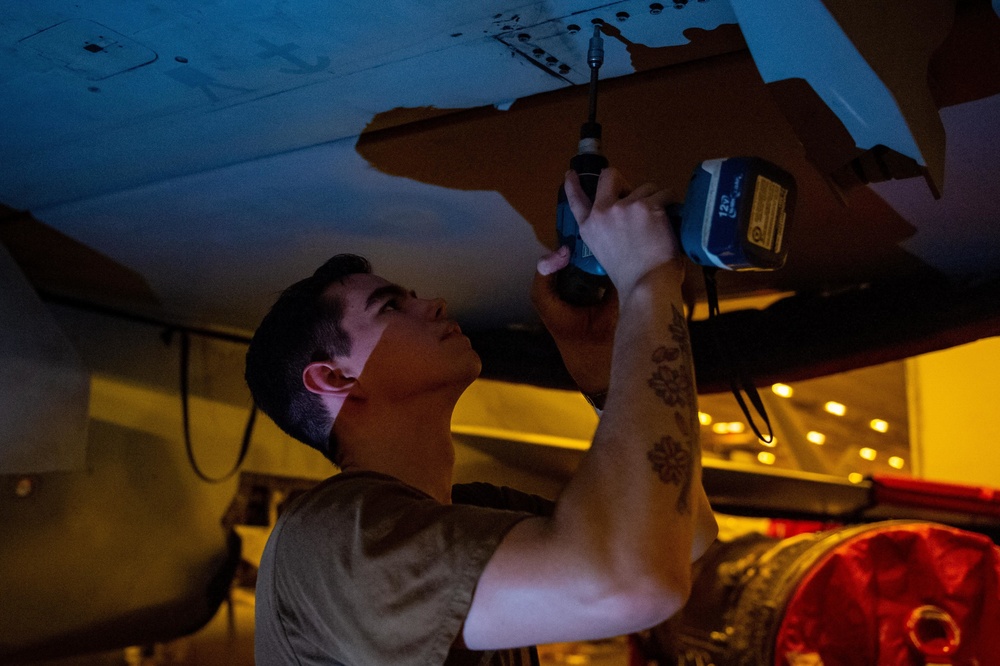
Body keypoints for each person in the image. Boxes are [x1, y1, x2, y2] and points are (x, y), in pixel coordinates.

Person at [245, 167, 719, 665]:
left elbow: (685, 535)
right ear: (335, 379)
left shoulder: (470, 513)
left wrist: (602, 366)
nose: (432, 304)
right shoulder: (330, 535)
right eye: (388, 306)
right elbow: (631, 582)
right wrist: (647, 277)